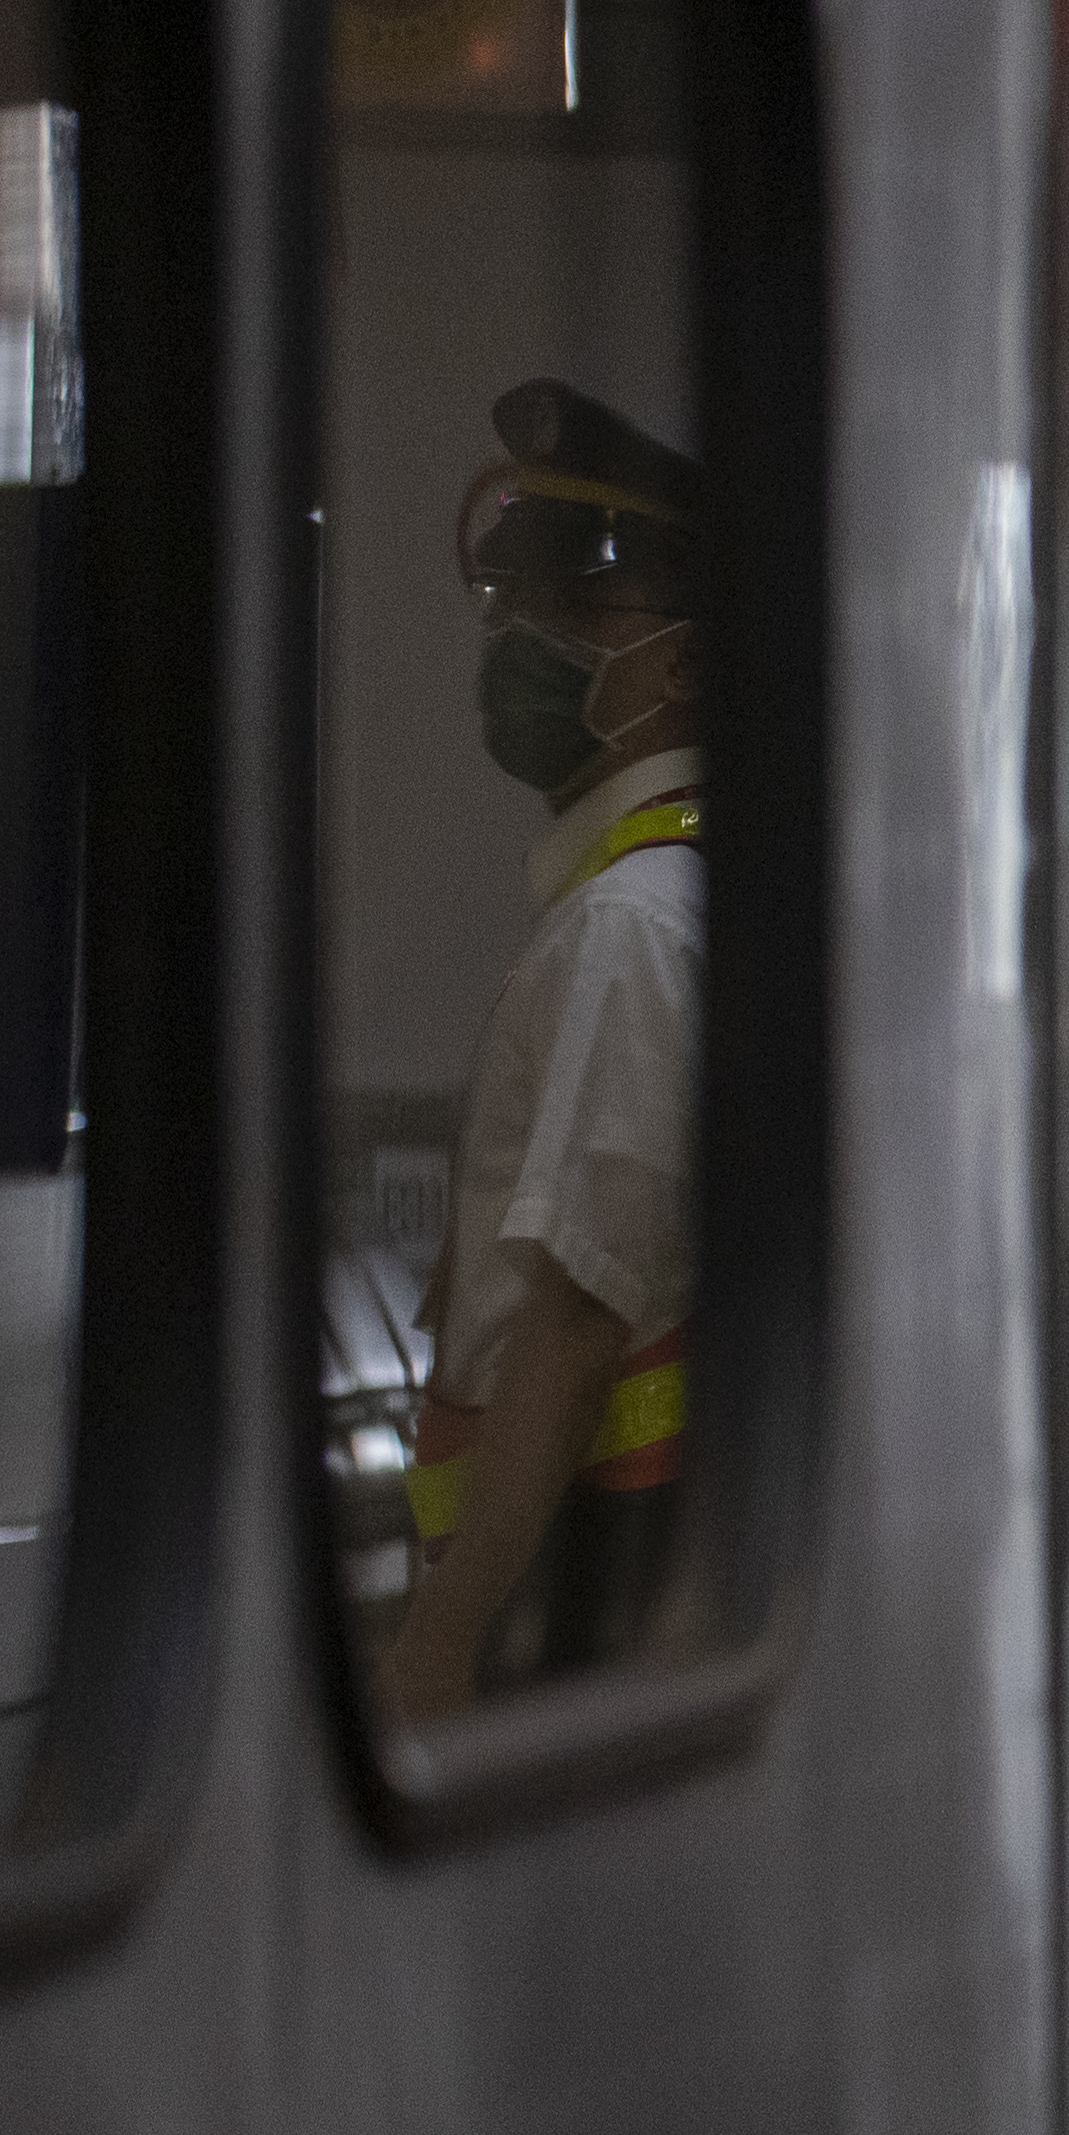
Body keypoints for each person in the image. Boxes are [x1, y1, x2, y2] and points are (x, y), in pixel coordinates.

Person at [379, 379, 711, 1721]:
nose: (525, 639)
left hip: (564, 1575)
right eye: (514, 608)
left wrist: (439, 1640)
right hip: (567, 1561)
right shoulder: (641, 898)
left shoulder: (630, 927)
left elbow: (575, 1331)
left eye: (575, 610)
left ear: (680, 666)